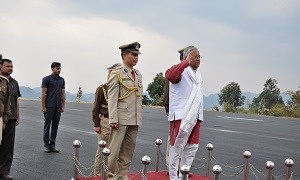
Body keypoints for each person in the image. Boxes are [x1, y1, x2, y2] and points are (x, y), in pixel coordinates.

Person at [165, 46, 203, 180]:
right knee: (176, 148)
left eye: (199, 57)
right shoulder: (180, 71)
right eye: (195, 57)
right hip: (181, 116)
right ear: (186, 58)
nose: (198, 59)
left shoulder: (198, 75)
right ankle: (174, 177)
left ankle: (183, 176)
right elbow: (169, 75)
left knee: (192, 148)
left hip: (195, 117)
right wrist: (185, 62)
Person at [107, 42, 143, 180]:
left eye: (137, 55)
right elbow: (112, 97)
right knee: (114, 149)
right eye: (133, 55)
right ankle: (111, 174)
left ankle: (122, 173)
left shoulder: (138, 74)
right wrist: (113, 119)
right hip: (121, 117)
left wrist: (138, 116)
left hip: (134, 117)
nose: (136, 58)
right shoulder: (117, 73)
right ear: (124, 55)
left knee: (129, 149)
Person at [163, 46, 190, 173]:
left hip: (189, 112)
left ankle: (183, 167)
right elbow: (167, 91)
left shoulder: (192, 72)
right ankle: (171, 166)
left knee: (186, 141)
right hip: (177, 111)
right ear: (182, 58)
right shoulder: (175, 71)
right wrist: (168, 107)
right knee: (174, 140)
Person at [92, 62, 121, 177]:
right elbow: (96, 108)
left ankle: (113, 174)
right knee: (102, 149)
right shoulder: (102, 89)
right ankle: (98, 175)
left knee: (116, 151)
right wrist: (96, 124)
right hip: (105, 121)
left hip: (119, 122)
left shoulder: (122, 89)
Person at [41, 62, 65, 153]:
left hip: (58, 106)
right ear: (52, 69)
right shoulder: (47, 79)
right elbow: (44, 93)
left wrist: (63, 105)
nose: (59, 70)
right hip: (49, 106)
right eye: (57, 68)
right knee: (47, 126)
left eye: (60, 68)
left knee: (55, 126)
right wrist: (43, 106)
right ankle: (46, 145)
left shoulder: (62, 80)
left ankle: (53, 145)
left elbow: (63, 93)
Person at [0, 59, 17, 180]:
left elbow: (15, 101)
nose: (10, 68)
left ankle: (4, 172)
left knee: (8, 147)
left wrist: (17, 116)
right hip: (1, 118)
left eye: (11, 66)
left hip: (10, 118)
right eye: (7, 66)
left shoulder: (13, 82)